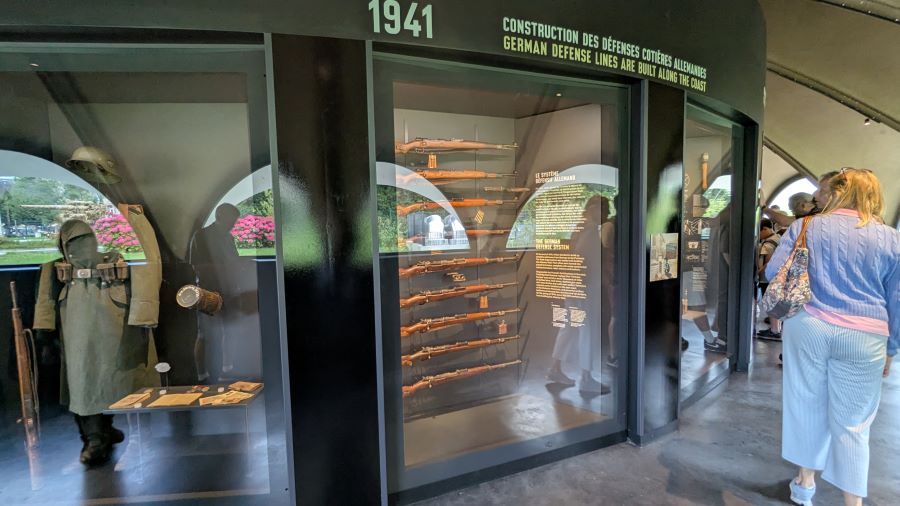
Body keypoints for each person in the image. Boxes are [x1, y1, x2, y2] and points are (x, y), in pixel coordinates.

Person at [765, 168, 898, 506]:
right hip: (866, 335)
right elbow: (897, 298)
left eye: (823, 191)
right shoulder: (890, 238)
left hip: (809, 325)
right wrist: (892, 347)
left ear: (839, 192)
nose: (818, 197)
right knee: (854, 423)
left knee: (806, 403)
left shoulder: (805, 226)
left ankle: (805, 485)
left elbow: (771, 272)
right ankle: (852, 502)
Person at [547, 195, 608, 394]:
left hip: (574, 287)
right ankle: (587, 378)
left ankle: (555, 368)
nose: (607, 213)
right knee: (586, 329)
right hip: (583, 289)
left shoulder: (580, 228)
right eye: (604, 209)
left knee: (570, 326)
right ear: (592, 209)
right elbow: (581, 259)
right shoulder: (589, 231)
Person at [756, 219, 781, 340]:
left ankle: (774, 330)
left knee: (771, 302)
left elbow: (769, 262)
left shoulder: (768, 244)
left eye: (759, 232)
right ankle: (775, 327)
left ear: (765, 229)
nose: (758, 235)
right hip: (778, 277)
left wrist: (758, 272)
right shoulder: (779, 238)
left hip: (768, 278)